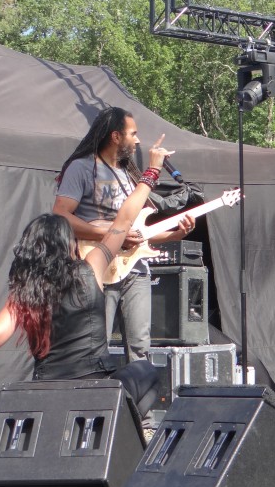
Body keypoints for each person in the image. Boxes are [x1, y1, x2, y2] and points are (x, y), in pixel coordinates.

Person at [0, 136, 172, 431]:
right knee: (145, 371)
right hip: (96, 394)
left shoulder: (25, 292)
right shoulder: (90, 269)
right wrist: (151, 172)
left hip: (48, 394)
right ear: (68, 245)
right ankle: (119, 432)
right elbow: (123, 222)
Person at [52, 107, 195, 364]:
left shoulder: (131, 175)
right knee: (96, 344)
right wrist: (113, 235)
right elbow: (61, 215)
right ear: (116, 136)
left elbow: (138, 234)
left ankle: (139, 391)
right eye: (133, 134)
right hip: (98, 267)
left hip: (136, 269)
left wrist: (176, 234)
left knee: (140, 347)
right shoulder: (82, 168)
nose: (138, 141)